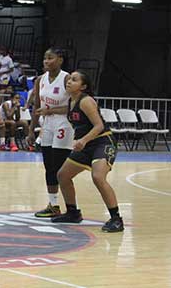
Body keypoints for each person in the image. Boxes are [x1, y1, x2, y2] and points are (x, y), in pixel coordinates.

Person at [52, 71, 123, 232]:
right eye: (69, 78)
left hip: (103, 141)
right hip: (87, 144)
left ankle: (116, 218)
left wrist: (83, 140)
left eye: (74, 80)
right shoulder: (71, 101)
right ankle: (72, 213)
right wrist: (47, 111)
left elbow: (99, 126)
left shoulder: (86, 101)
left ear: (83, 87)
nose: (69, 81)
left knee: (98, 176)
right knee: (62, 175)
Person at [29, 48, 74, 218]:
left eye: (50, 58)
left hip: (64, 123)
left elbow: (74, 106)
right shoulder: (40, 80)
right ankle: (53, 204)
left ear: (60, 60)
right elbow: (36, 106)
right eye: (44, 58)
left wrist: (52, 110)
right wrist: (31, 130)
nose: (46, 61)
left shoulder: (67, 79)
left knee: (59, 167)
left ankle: (71, 207)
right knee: (49, 166)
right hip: (46, 125)